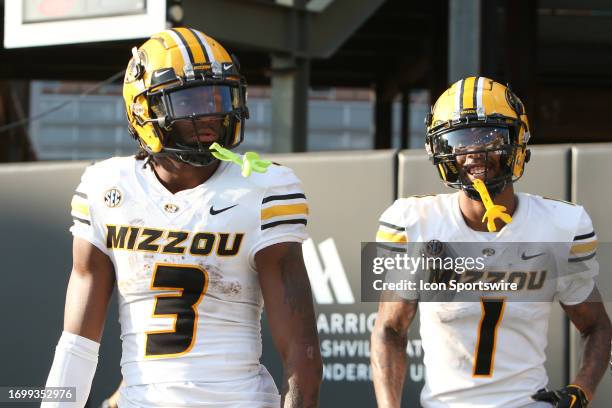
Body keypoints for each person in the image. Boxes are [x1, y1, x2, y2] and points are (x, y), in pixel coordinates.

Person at [43, 27, 322, 408]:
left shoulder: (263, 189)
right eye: (191, 101)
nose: (211, 115)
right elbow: (77, 344)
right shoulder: (106, 187)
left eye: (219, 98)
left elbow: (301, 350)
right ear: (145, 109)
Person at [370, 77, 611, 407]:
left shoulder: (558, 227)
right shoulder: (415, 224)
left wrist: (581, 391)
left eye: (489, 138)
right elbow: (389, 331)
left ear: (517, 142)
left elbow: (596, 326)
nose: (473, 153)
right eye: (459, 141)